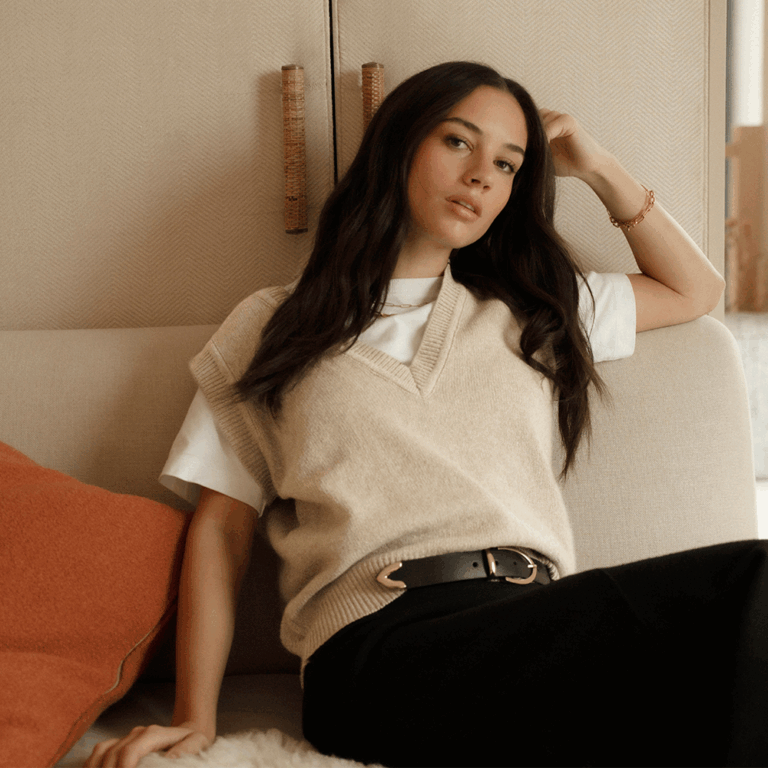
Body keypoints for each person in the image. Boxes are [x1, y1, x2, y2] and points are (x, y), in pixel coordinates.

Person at [86, 61, 766, 768]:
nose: (480, 175)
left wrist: (597, 166)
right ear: (399, 143)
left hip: (534, 627)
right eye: (458, 142)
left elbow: (695, 289)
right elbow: (221, 533)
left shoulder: (530, 313)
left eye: (507, 165)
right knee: (749, 585)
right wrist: (195, 722)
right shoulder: (268, 329)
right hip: (379, 647)